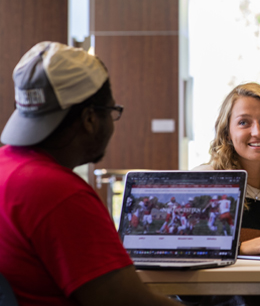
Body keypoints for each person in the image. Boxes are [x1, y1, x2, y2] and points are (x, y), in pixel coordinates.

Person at [0, 41, 178, 305]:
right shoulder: (60, 194)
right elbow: (127, 303)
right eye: (112, 112)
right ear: (90, 119)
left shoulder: (6, 168)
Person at [186, 83, 260, 306]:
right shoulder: (204, 182)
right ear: (227, 133)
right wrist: (239, 249)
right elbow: (181, 254)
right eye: (244, 122)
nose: (257, 132)